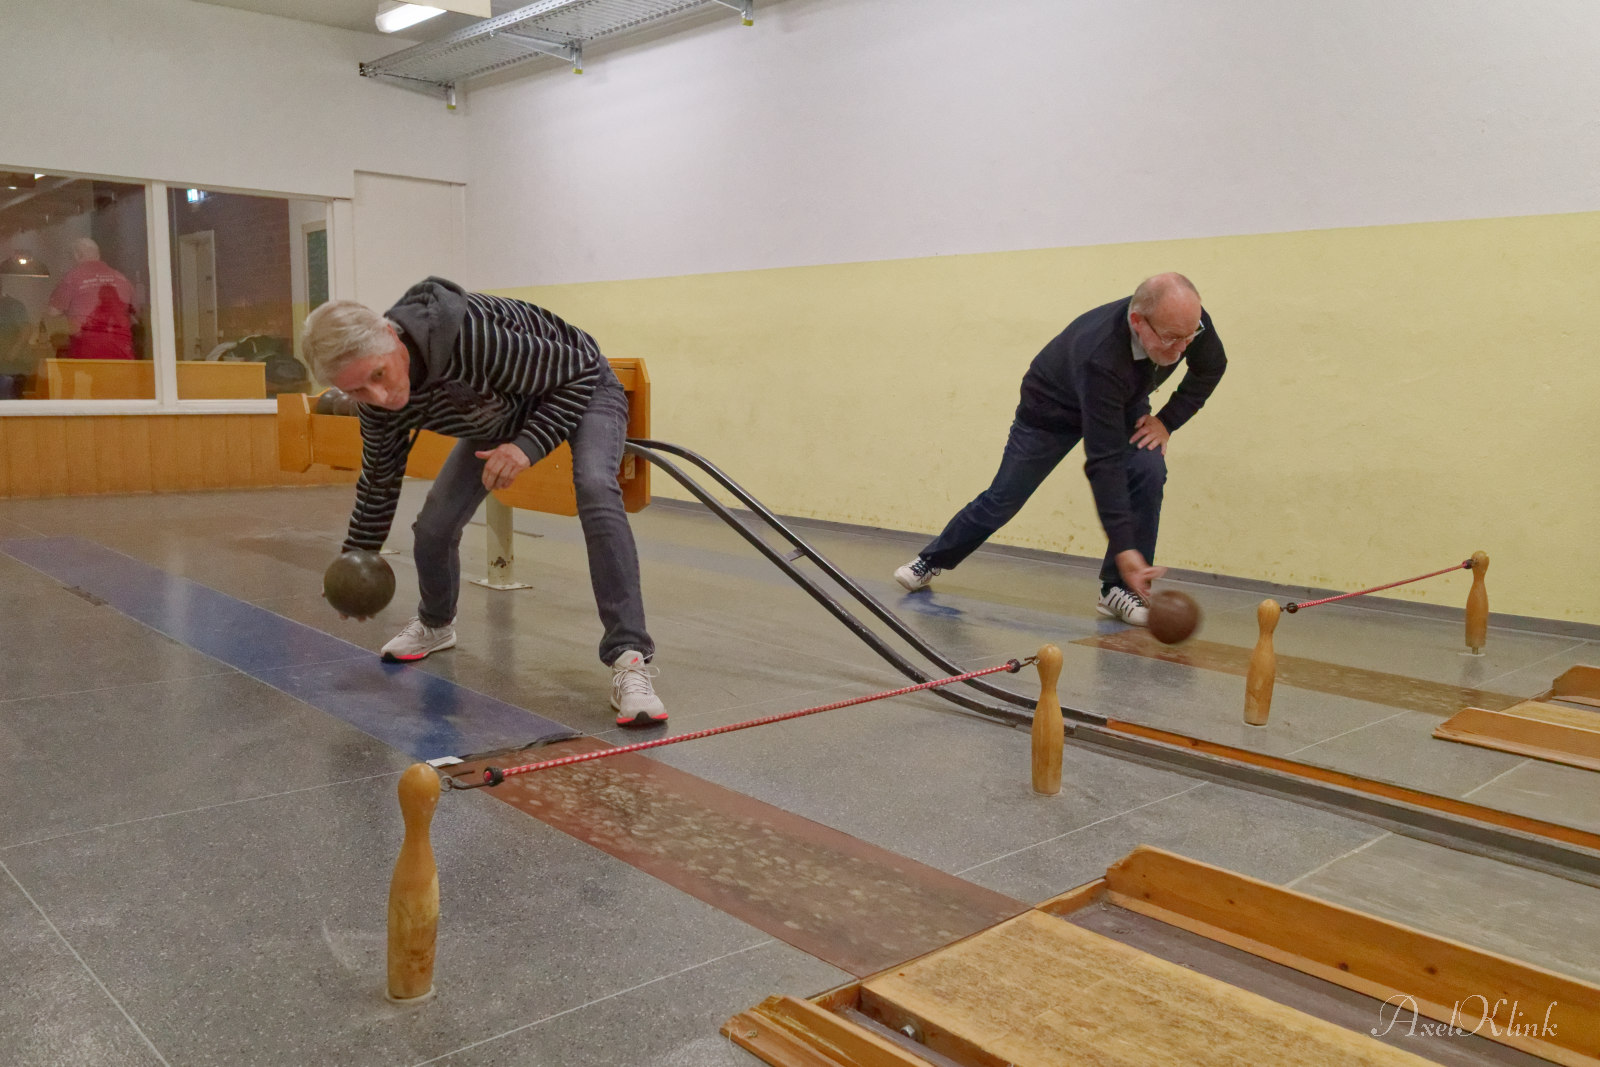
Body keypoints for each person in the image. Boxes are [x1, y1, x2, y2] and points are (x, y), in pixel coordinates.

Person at [301, 278, 667, 727]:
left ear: (390, 336)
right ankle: (435, 624)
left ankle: (630, 657)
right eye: (357, 391)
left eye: (378, 376)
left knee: (595, 488)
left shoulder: (469, 336)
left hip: (582, 385)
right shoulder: (377, 404)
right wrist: (353, 561)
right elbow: (379, 480)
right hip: (497, 412)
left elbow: (578, 374)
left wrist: (527, 446)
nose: (379, 398)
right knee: (434, 526)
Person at [893, 273, 1227, 627]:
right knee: (1004, 497)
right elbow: (1104, 463)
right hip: (1050, 408)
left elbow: (1212, 367)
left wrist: (1167, 421)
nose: (1181, 349)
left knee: (1148, 468)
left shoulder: (1189, 323)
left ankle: (1118, 589)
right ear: (1137, 321)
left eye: (1188, 337)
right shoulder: (1100, 354)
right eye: (1171, 338)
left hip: (1122, 401)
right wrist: (1124, 546)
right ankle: (932, 559)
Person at [46, 238, 136, 360]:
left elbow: (52, 312)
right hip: (121, 351)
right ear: (98, 255)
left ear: (77, 255)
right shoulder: (122, 278)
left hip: (87, 350)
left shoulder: (73, 276)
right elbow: (136, 315)